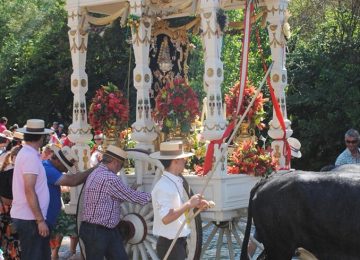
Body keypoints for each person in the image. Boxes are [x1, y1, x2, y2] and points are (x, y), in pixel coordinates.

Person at [80, 144, 151, 260]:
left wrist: (128, 192)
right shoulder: (110, 178)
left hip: (101, 229)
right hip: (98, 231)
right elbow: (130, 196)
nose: (120, 168)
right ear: (115, 162)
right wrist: (152, 197)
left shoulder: (95, 173)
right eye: (121, 165)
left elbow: (114, 196)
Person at [150, 141, 209, 260]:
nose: (185, 161)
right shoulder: (163, 186)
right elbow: (166, 218)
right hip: (170, 244)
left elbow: (179, 209)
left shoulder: (173, 182)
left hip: (178, 242)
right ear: (175, 161)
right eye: (182, 159)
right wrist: (189, 203)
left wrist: (195, 205)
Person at [10, 119, 52, 260]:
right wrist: (40, 220)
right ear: (41, 137)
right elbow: (29, 189)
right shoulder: (29, 156)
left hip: (29, 217)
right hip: (30, 219)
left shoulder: (28, 153)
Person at [44, 145, 93, 259]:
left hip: (51, 215)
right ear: (57, 161)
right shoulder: (48, 169)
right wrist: (94, 169)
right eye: (65, 166)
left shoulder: (48, 166)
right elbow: (73, 181)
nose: (66, 170)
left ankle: (57, 255)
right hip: (45, 217)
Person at [0, 146, 22, 260]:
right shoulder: (13, 174)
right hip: (11, 215)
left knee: (8, 246)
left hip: (6, 215)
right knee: (14, 245)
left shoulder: (5, 172)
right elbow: (7, 198)